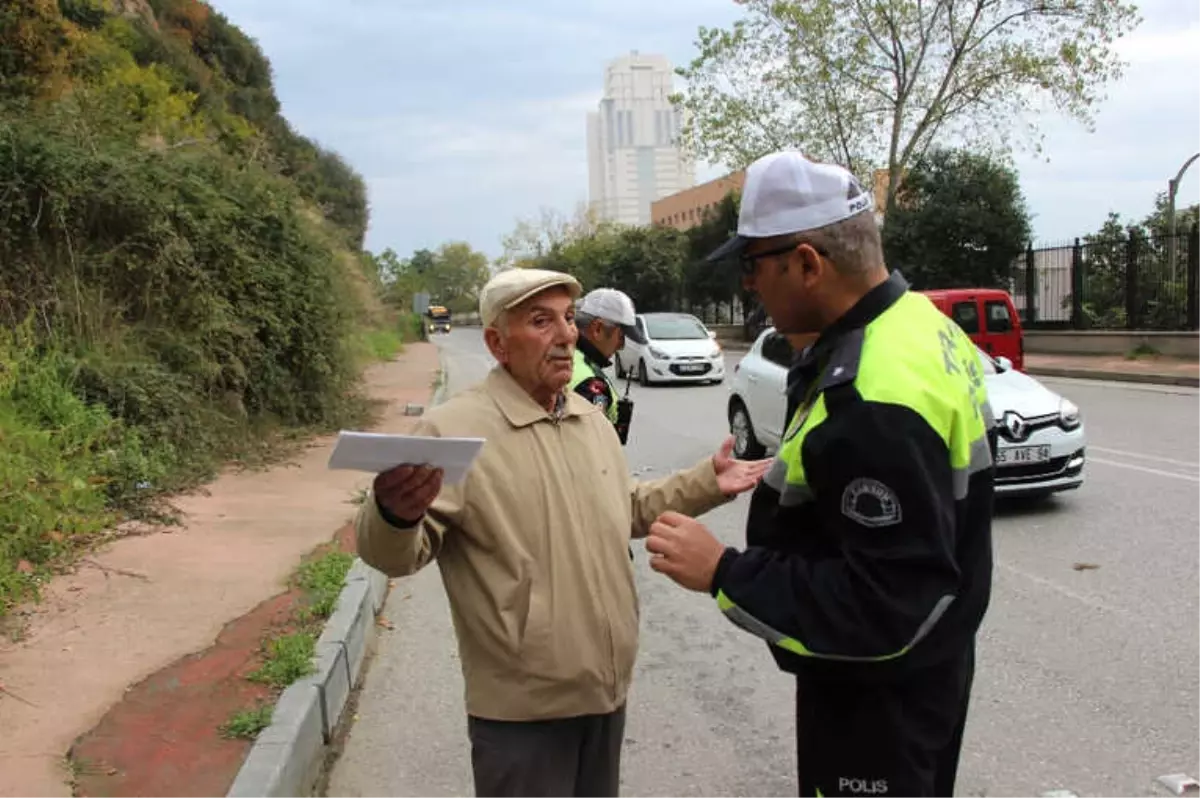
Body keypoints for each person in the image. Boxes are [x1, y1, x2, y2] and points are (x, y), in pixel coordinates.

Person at [644, 151, 997, 798]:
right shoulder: (918, 325)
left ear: (807, 263)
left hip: (879, 703)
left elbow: (885, 605)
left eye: (753, 266)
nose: (749, 284)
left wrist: (723, 571)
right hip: (932, 675)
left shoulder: (870, 397)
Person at [355, 267, 770, 798]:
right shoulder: (452, 430)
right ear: (496, 343)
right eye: (540, 321)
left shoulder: (587, 419)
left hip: (605, 693)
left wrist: (707, 482)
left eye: (569, 319)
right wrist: (393, 513)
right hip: (522, 716)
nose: (567, 335)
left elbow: (623, 507)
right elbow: (396, 555)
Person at [570, 287, 644, 444]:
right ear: (597, 329)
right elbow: (593, 451)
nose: (621, 347)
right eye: (621, 337)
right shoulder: (588, 381)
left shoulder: (567, 357)